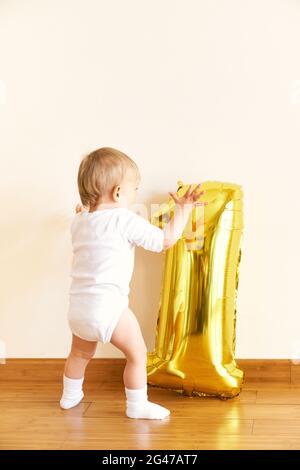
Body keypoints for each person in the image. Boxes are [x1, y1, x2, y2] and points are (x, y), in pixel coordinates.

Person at [60, 147, 207, 419]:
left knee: (79, 354)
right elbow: (165, 241)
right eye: (135, 189)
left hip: (78, 308)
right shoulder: (124, 219)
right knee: (137, 354)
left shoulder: (79, 222)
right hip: (109, 308)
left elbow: (86, 217)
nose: (135, 195)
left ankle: (70, 396)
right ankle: (137, 405)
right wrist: (183, 210)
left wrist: (82, 210)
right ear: (118, 193)